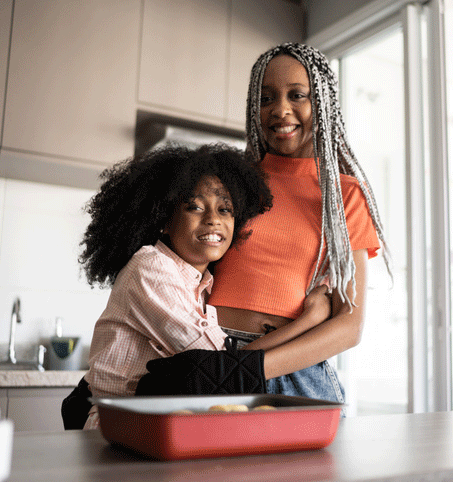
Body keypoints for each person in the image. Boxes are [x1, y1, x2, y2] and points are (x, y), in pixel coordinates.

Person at [75, 143, 331, 429]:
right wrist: (310, 320)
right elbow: (220, 366)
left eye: (225, 209)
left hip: (168, 425)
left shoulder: (204, 285)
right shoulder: (151, 267)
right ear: (164, 221)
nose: (213, 219)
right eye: (195, 207)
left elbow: (224, 367)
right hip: (120, 429)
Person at [208, 43, 390, 406]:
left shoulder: (344, 196)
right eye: (266, 98)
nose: (280, 110)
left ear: (321, 103)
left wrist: (248, 368)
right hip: (211, 354)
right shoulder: (231, 182)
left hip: (289, 370)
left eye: (297, 95)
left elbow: (348, 326)